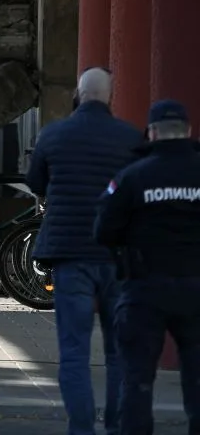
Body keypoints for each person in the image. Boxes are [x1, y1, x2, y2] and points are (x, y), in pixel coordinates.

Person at [26, 66, 141, 435]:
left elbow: (35, 182)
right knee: (117, 353)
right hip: (116, 259)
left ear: (78, 94)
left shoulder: (53, 134)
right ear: (110, 96)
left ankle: (81, 429)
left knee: (73, 351)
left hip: (70, 256)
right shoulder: (130, 139)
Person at [95, 99, 200, 435]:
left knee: (137, 380)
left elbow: (104, 231)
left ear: (151, 133)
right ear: (188, 132)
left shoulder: (132, 177)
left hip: (144, 289)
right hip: (196, 289)